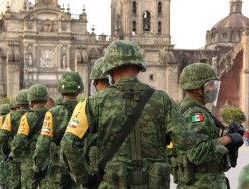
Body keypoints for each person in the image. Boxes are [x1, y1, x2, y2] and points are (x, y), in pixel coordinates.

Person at [61, 40, 197, 188]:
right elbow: (187, 141)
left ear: (110, 70)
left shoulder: (92, 103)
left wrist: (85, 179)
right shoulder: (162, 99)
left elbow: (69, 144)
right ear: (139, 67)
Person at [174, 63, 244, 188]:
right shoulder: (195, 113)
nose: (214, 89)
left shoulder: (188, 109)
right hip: (202, 184)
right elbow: (196, 153)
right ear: (196, 89)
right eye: (210, 85)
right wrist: (229, 139)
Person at [33, 71, 84, 189]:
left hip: (58, 172)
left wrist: (37, 168)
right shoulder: (87, 110)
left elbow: (43, 145)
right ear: (79, 88)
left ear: (60, 89)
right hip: (82, 171)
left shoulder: (53, 113)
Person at [11, 84, 49, 189]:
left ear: (31, 101)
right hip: (48, 161)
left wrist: (16, 154)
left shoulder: (27, 117)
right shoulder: (52, 114)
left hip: (29, 161)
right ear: (46, 100)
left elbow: (19, 141)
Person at [0, 89, 30, 189]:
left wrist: (6, 151)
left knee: (15, 183)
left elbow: (3, 136)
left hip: (15, 156)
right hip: (31, 157)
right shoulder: (37, 114)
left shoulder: (10, 116)